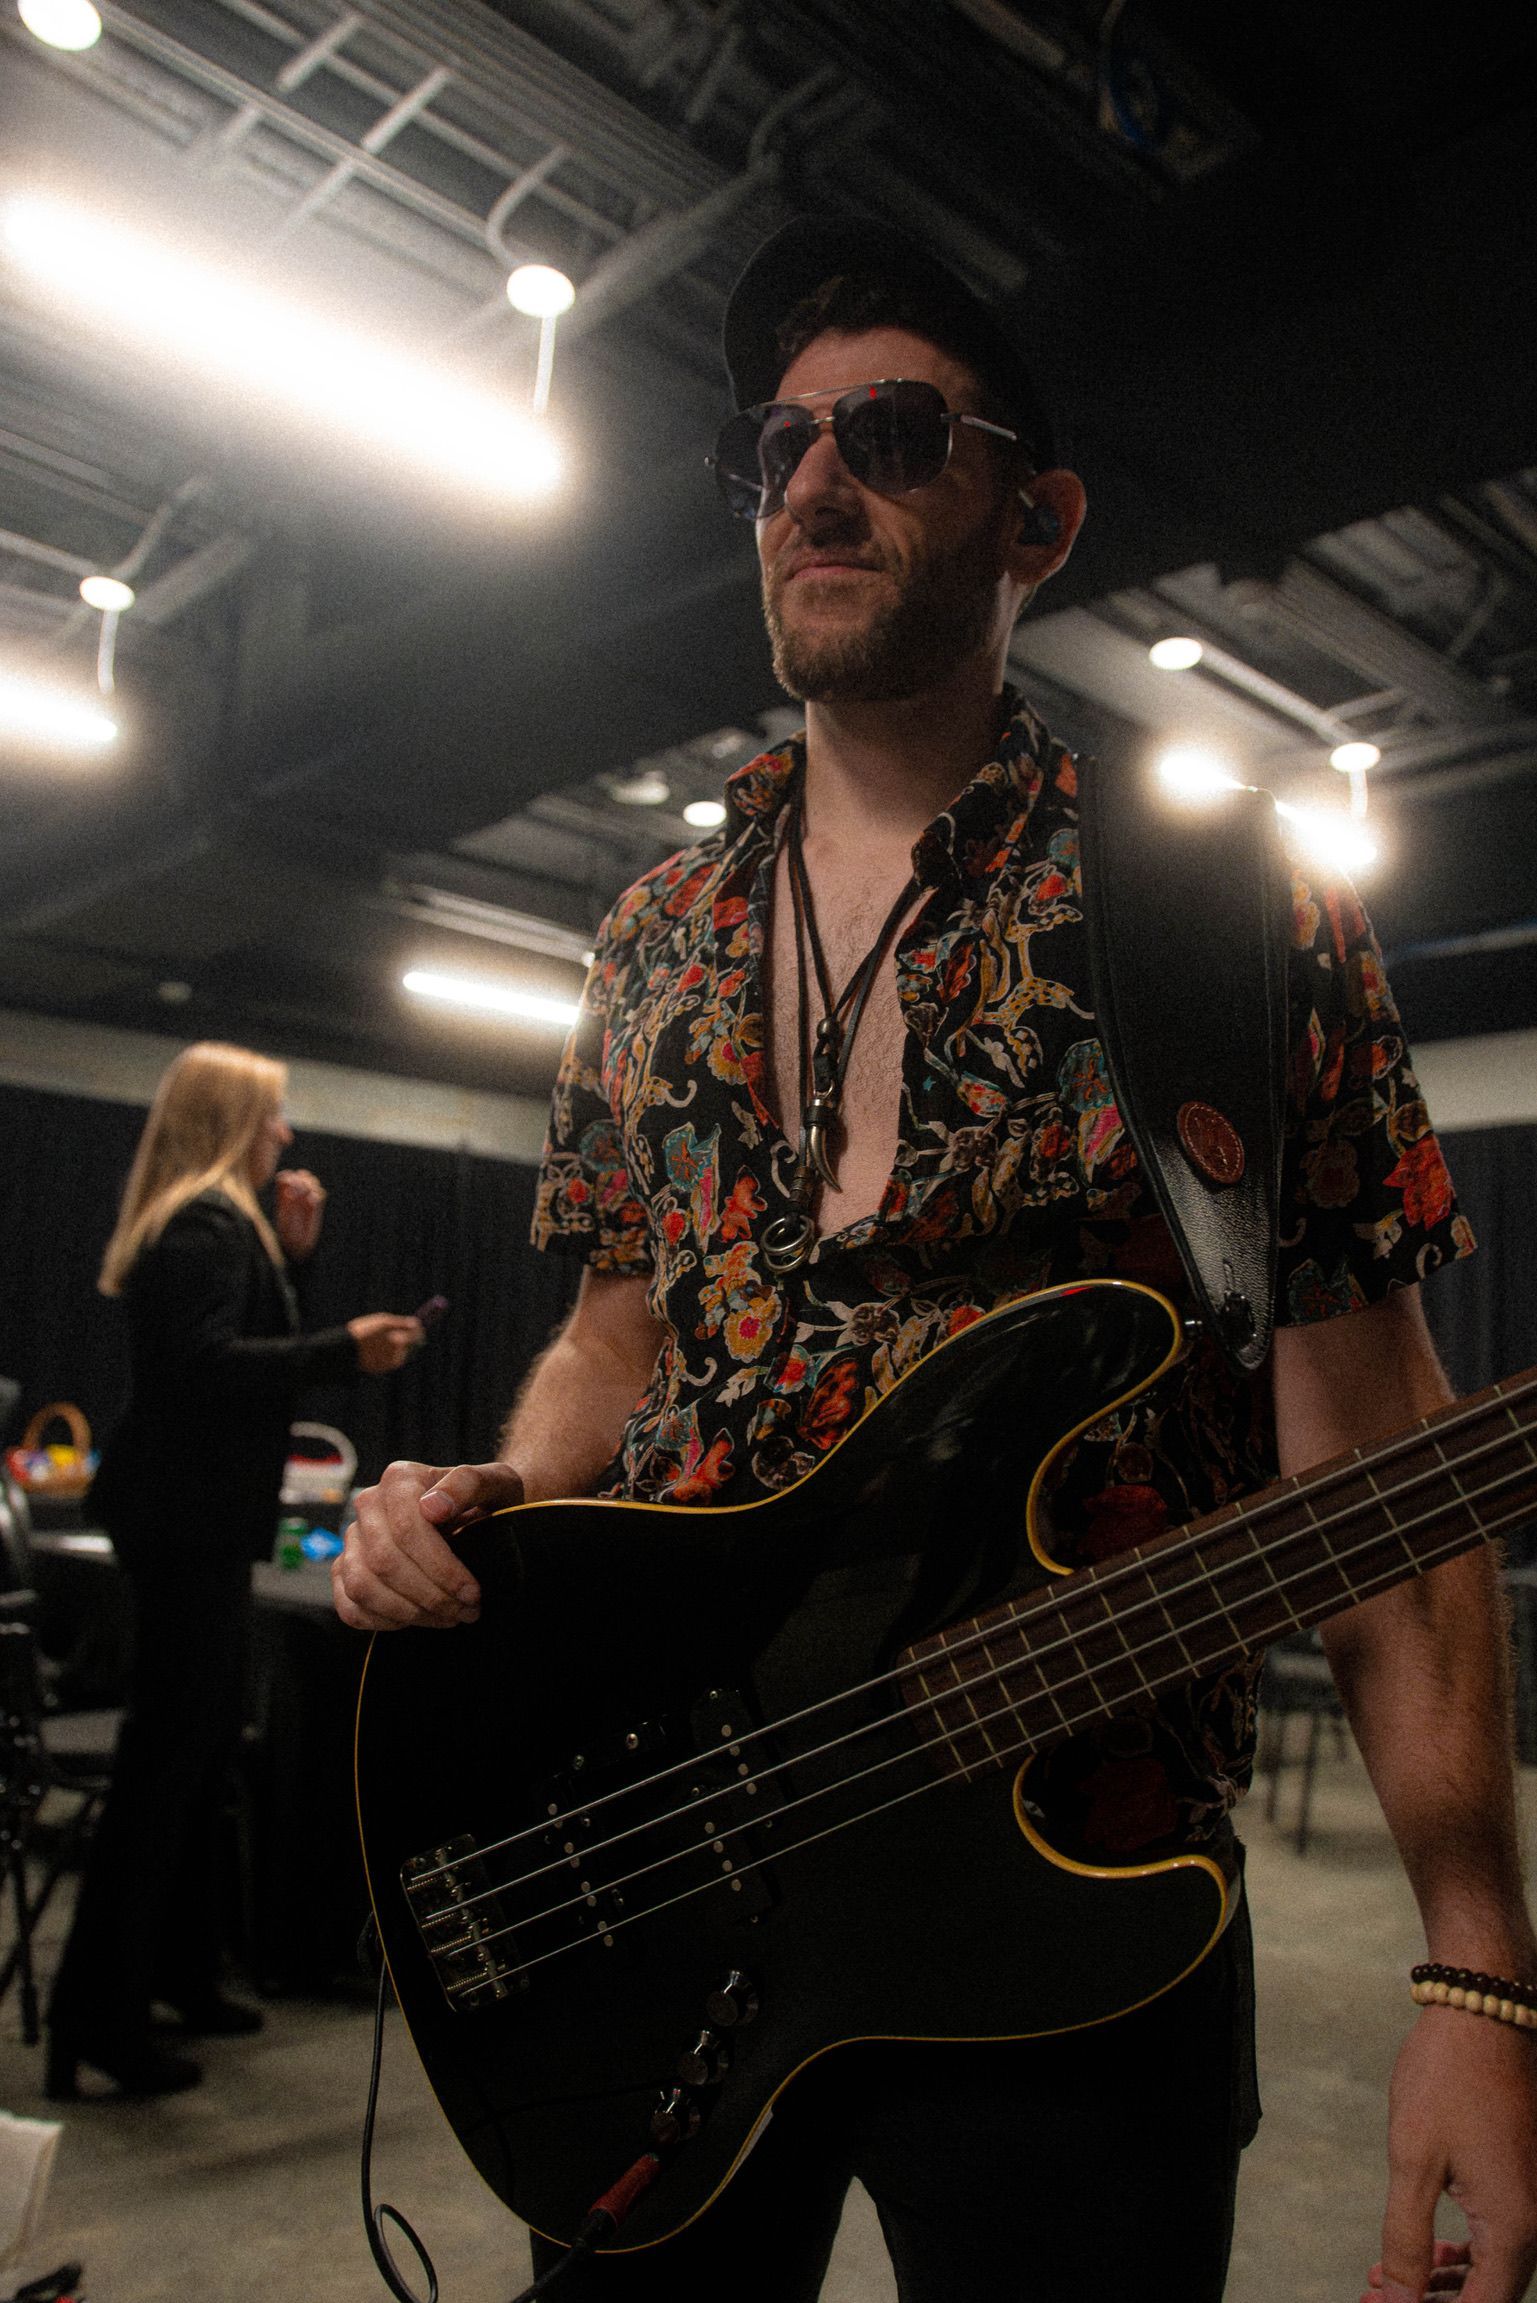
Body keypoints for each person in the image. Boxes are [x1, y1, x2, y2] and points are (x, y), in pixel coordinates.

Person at [333, 218, 1537, 2303]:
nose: (811, 482)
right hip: (674, 1866)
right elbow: (618, 1327)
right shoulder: (651, 937)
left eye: (890, 434)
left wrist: (1480, 1975)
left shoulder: (1222, 907)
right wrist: (504, 1491)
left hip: (1080, 1899)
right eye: (773, 445)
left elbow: (1378, 1467)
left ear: (1035, 517)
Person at [47, 1041, 422, 2099]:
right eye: (271, 1115)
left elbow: (228, 1359)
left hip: (193, 1520)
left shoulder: (220, 1227)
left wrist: (296, 1266)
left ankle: (174, 1975)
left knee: (200, 1757)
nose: (287, 1133)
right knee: (164, 1769)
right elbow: (204, 1370)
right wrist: (343, 1343)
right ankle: (97, 2015)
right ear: (228, 1121)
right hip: (186, 1523)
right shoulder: (202, 1225)